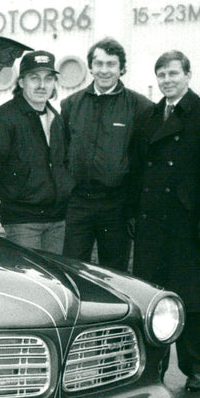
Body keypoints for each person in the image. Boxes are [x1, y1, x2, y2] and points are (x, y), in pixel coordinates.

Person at [132, 50, 200, 392]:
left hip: (188, 223)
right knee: (152, 300)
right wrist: (134, 213)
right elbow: (136, 170)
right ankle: (153, 369)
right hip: (152, 223)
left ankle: (195, 368)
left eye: (173, 73)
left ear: (188, 74)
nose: (167, 80)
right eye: (161, 75)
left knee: (190, 300)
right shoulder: (148, 116)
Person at [0, 50, 72, 253]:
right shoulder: (5, 118)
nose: (42, 85)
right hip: (23, 223)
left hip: (57, 222)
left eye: (48, 78)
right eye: (34, 78)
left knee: (54, 282)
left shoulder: (56, 119)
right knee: (30, 281)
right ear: (22, 82)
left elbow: (64, 165)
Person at [60, 37, 153, 270]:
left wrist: (133, 207)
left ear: (122, 68)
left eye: (111, 64)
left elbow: (143, 161)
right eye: (98, 63)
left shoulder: (140, 107)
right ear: (90, 67)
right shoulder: (71, 104)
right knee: (71, 268)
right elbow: (62, 155)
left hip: (117, 205)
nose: (104, 70)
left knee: (114, 273)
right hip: (78, 203)